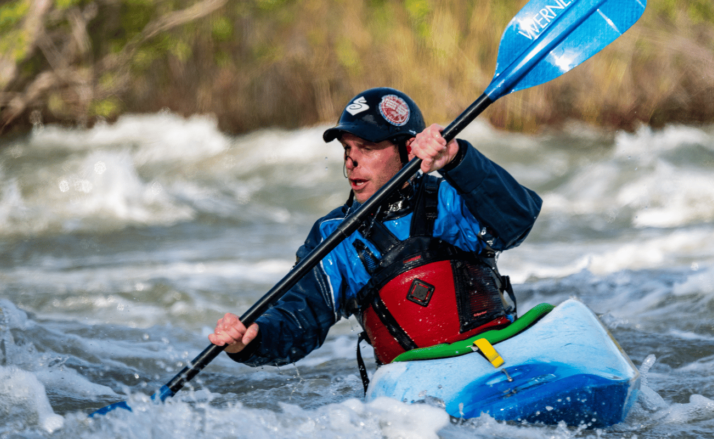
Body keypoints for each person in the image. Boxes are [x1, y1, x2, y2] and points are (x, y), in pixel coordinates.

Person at [208, 87, 542, 373]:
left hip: (496, 354)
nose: (351, 161)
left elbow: (518, 221)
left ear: (407, 149)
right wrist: (251, 341)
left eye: (366, 148)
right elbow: (300, 320)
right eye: (347, 149)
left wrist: (457, 157)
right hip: (415, 387)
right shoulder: (334, 237)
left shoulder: (454, 196)